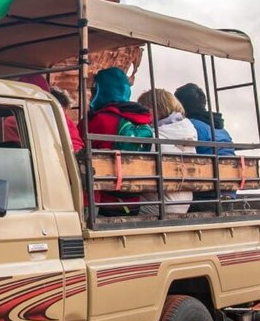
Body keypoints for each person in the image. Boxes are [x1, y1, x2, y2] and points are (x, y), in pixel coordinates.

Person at [138, 88, 196, 217]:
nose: (142, 113)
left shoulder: (154, 135)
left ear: (157, 108)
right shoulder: (186, 130)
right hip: (183, 202)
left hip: (160, 204)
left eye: (144, 109)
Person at [85, 67, 154, 150]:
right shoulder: (140, 118)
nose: (91, 95)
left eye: (94, 90)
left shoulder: (97, 120)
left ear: (100, 91)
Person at [173, 83, 235, 156]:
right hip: (230, 162)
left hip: (210, 165)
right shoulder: (219, 126)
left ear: (181, 105)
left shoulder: (189, 125)